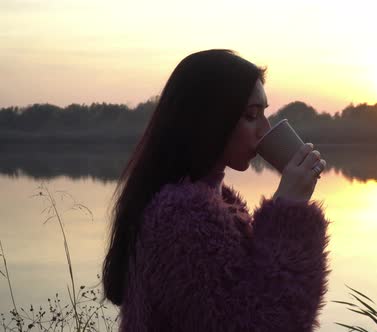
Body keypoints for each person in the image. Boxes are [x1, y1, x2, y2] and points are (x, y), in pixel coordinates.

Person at [101, 49, 330, 331]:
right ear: (210, 119)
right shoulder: (181, 216)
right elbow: (259, 324)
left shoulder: (211, 204)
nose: (265, 129)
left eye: (264, 113)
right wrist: (289, 211)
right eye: (250, 115)